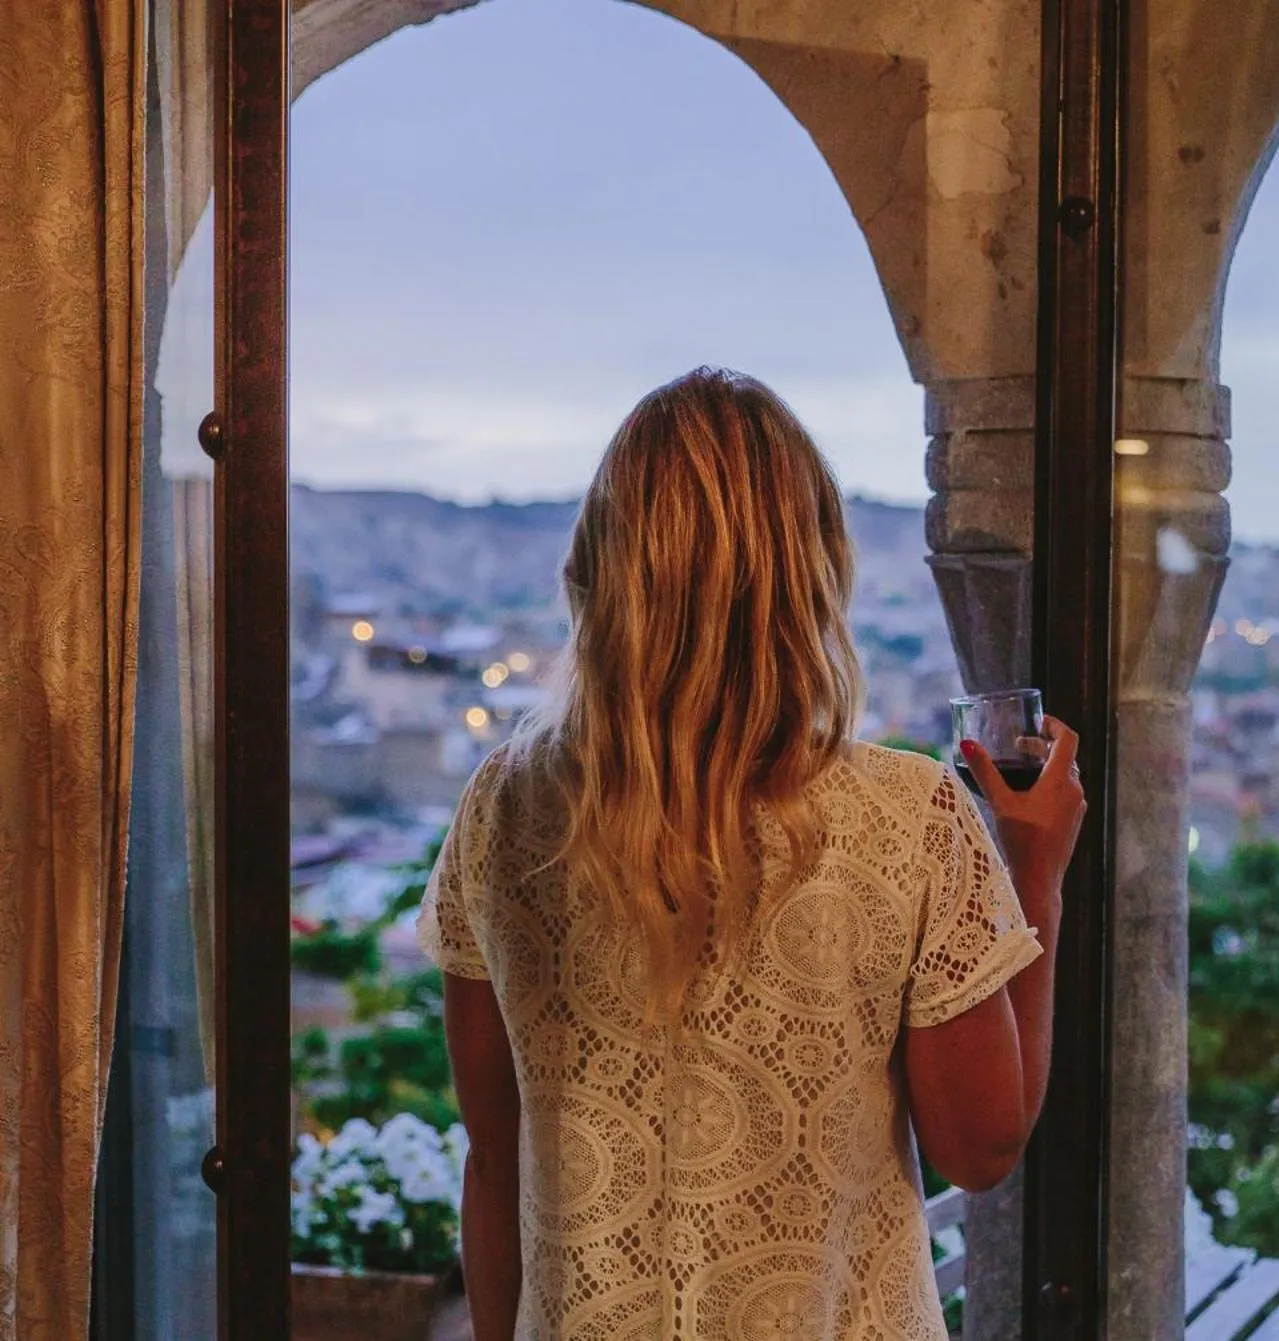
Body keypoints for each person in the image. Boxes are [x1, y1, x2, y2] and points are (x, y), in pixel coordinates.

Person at [417, 368, 1086, 1340]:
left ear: (599, 567)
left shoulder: (505, 808)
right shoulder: (909, 820)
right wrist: (1035, 878)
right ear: (807, 573)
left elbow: (495, 1156)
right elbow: (979, 1147)